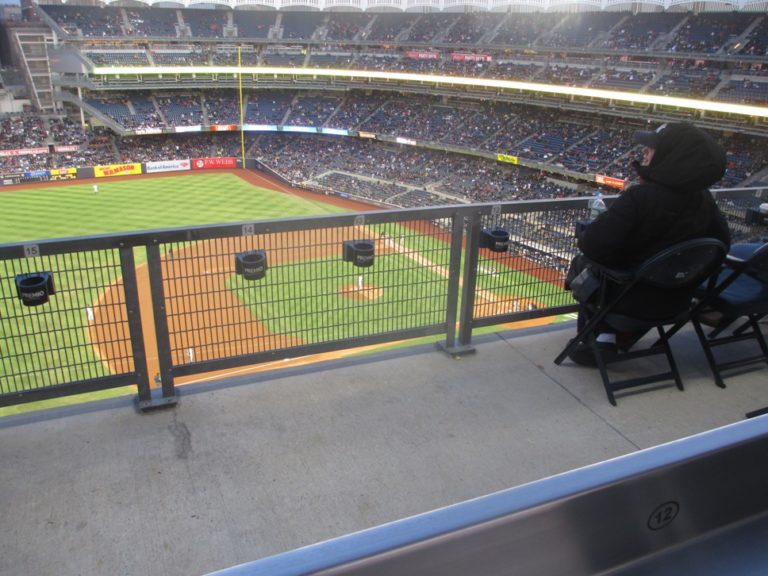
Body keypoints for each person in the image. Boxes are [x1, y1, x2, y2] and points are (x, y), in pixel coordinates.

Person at [566, 122, 731, 366]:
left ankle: (600, 340)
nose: (645, 152)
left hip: (626, 298)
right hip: (676, 300)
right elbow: (720, 247)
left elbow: (592, 245)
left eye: (652, 148)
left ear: (671, 155)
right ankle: (618, 335)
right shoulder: (705, 201)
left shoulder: (641, 196)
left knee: (583, 265)